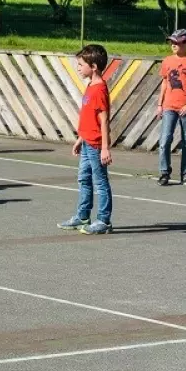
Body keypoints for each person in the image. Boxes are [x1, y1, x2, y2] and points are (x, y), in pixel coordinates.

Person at [59, 44, 113, 235]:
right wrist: (80, 139)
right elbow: (88, 118)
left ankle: (104, 220)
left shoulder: (99, 90)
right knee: (84, 179)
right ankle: (82, 217)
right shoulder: (90, 86)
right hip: (87, 142)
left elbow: (104, 120)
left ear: (94, 66)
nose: (78, 68)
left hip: (96, 145)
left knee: (100, 182)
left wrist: (105, 148)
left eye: (81, 64)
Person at [156, 29, 186, 187]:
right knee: (165, 140)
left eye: (177, 42)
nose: (173, 45)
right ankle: (164, 173)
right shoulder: (167, 61)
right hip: (169, 106)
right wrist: (160, 105)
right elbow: (164, 83)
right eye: (172, 42)